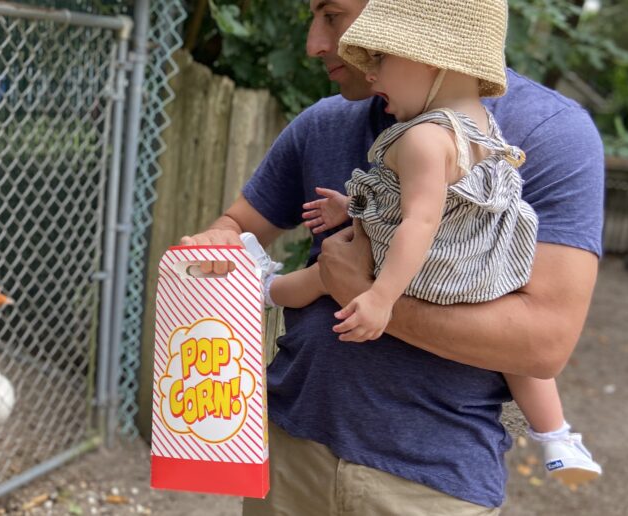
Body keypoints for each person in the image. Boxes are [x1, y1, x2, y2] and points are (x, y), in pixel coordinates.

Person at [179, 0, 604, 513]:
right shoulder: (325, 122)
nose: (315, 44)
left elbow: (543, 346)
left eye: (333, 16)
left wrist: (360, 292)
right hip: (289, 453)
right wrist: (217, 242)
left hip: (429, 486)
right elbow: (238, 225)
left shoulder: (553, 134)